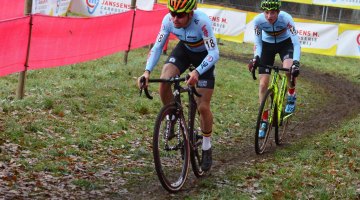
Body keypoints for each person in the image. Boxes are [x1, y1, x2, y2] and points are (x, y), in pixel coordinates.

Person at [137, 0, 219, 172]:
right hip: (184, 51)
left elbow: (214, 53)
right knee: (165, 80)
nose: (175, 18)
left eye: (180, 15)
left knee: (203, 106)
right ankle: (173, 115)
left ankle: (206, 146)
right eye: (172, 13)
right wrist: (146, 72)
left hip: (204, 58)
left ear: (191, 13)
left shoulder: (202, 22)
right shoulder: (168, 20)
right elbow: (158, 46)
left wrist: (197, 72)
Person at [247, 0, 300, 138]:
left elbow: (296, 43)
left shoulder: (287, 19)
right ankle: (264, 119)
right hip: (267, 46)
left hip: (285, 44)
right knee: (263, 84)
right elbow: (258, 42)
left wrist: (296, 62)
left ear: (278, 12)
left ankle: (291, 94)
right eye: (266, 12)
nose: (269, 16)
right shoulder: (258, 20)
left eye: (272, 13)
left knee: (288, 69)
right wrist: (256, 58)